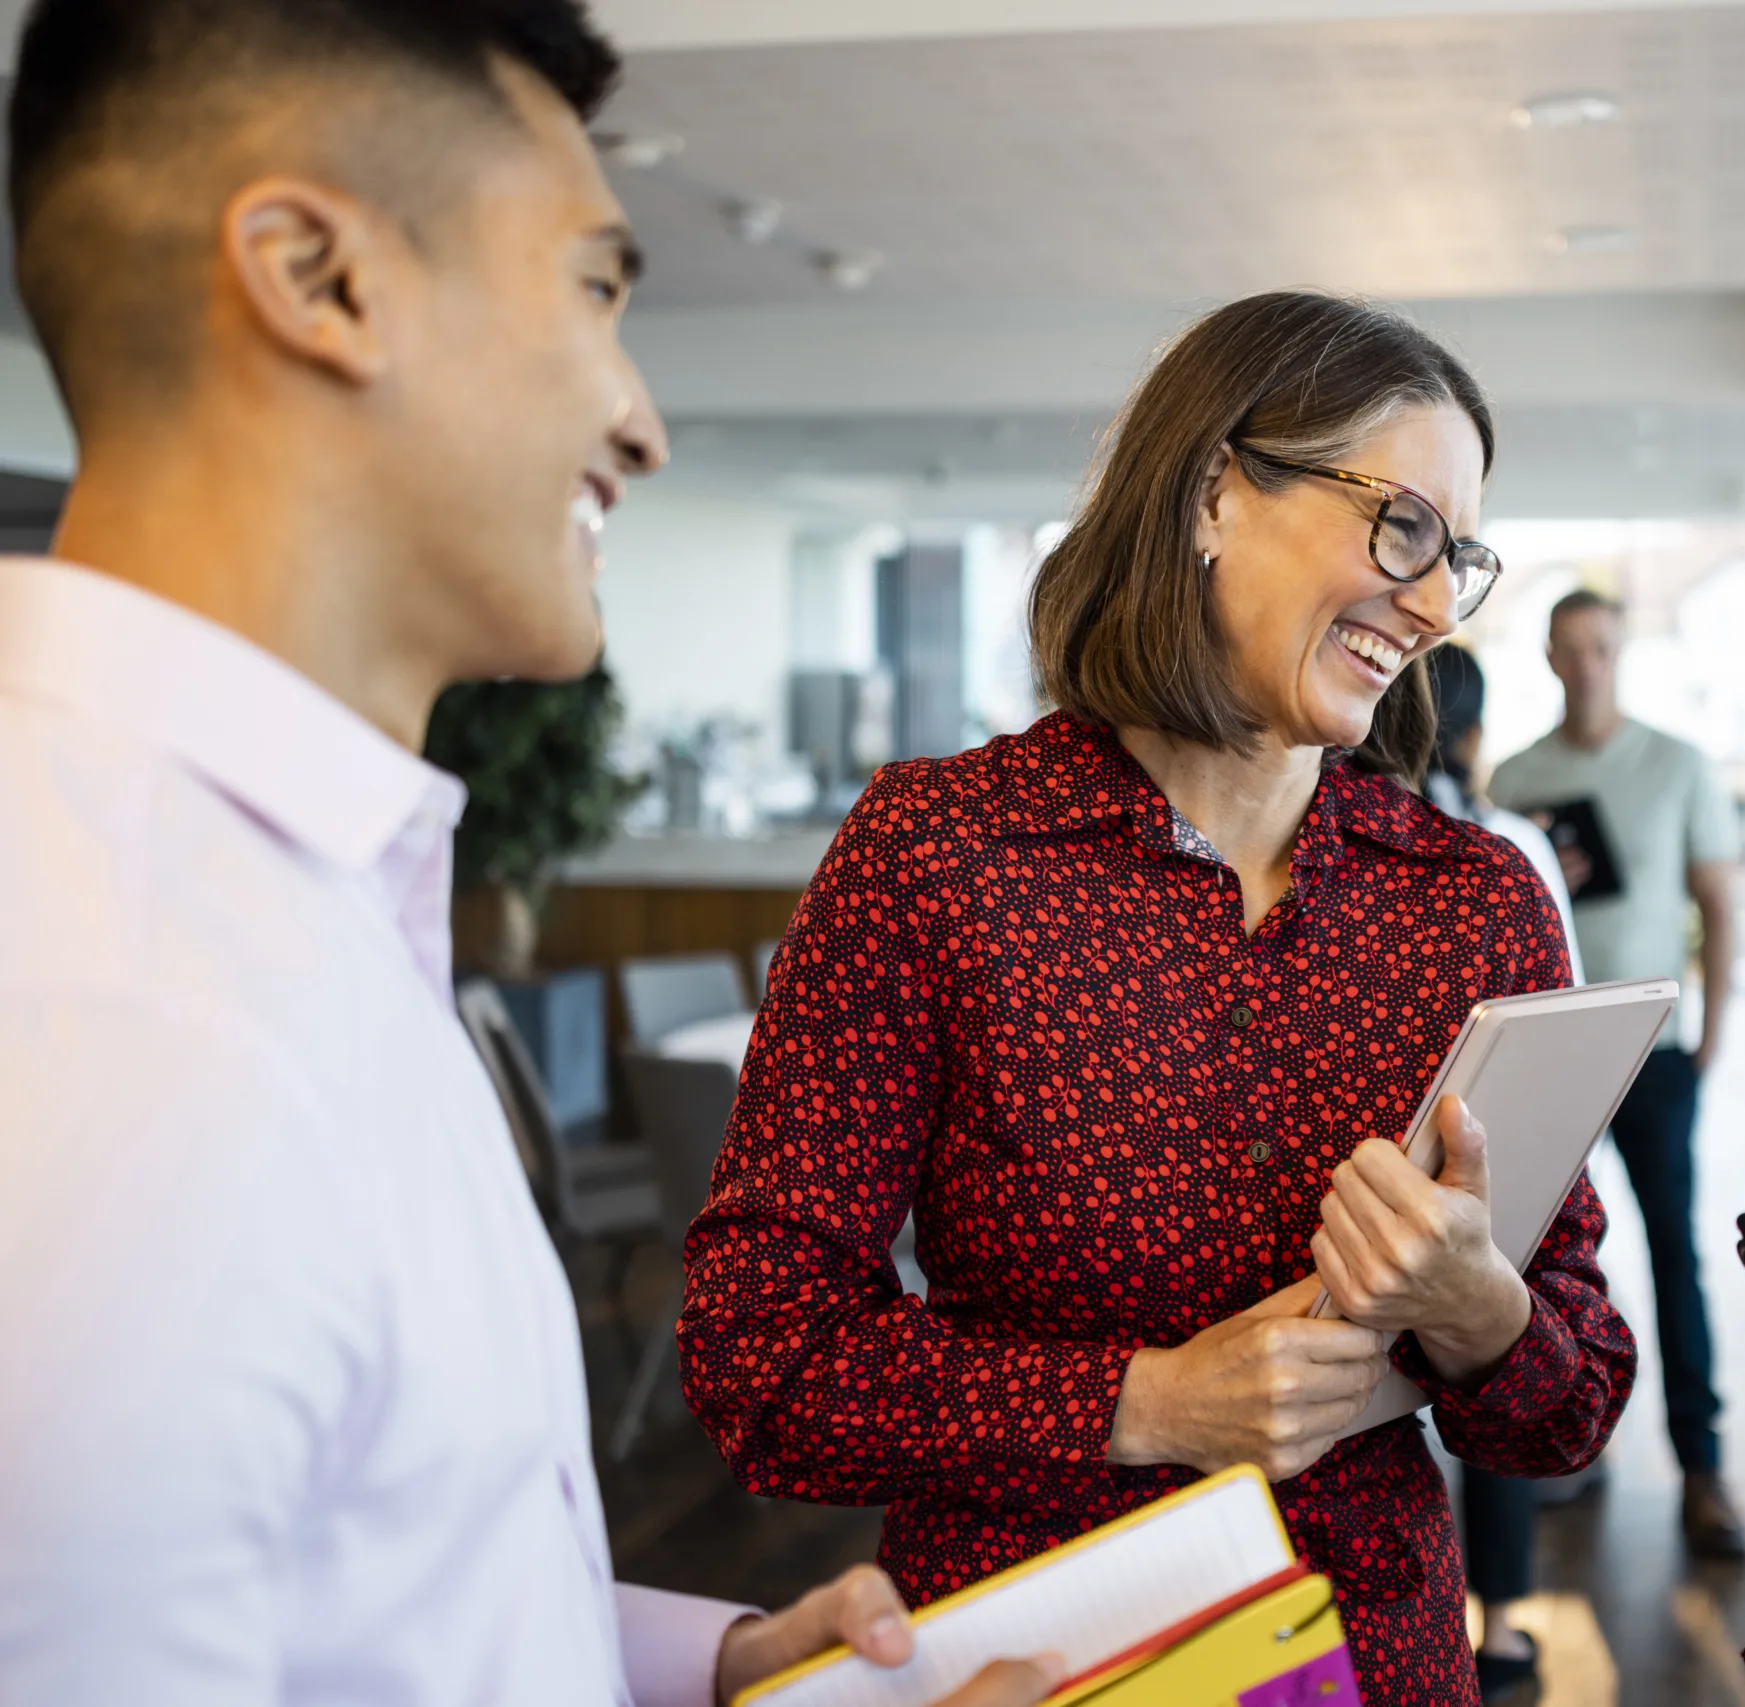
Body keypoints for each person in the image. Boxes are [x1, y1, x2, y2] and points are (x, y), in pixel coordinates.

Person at [0, 3, 1055, 1704]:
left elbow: (367, 1574)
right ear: (317, 278)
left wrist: (700, 1665)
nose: (640, 422)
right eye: (592, 288)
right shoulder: (114, 1013)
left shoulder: (274, 900)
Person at [680, 291, 1636, 1707]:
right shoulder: (937, 857)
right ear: (1210, 492)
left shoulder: (1473, 901)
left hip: (1379, 1655)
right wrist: (1148, 1402)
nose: (1435, 606)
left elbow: (1575, 1404)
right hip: (1039, 1655)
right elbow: (759, 1350)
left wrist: (1481, 1306)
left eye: (1461, 556)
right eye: (1404, 528)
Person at [1489, 588, 1745, 1558]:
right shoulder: (1518, 777)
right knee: (1546, 1256)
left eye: (1601, 646)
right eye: (1570, 649)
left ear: (1620, 650)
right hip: (1552, 1048)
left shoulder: (1674, 766)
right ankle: (1563, 1446)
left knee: (1673, 1249)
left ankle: (1703, 1466)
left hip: (1654, 1052)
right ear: (1551, 657)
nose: (1586, 663)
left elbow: (1717, 902)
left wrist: (1713, 1031)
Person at [1423, 643, 1581, 1705]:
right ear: (1472, 732)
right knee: (1493, 1347)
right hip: (1501, 1152)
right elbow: (1562, 1032)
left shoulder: (1463, 861)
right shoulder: (1504, 844)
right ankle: (1508, 1611)